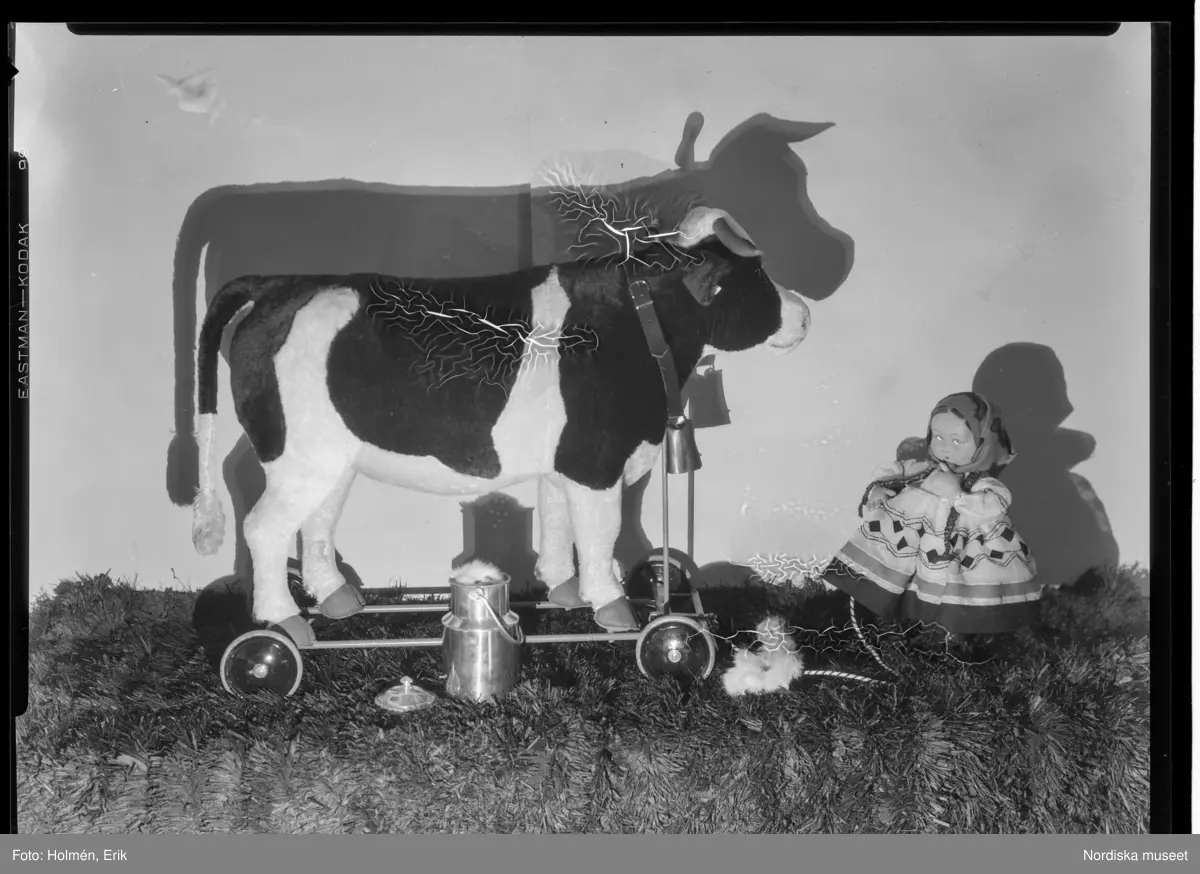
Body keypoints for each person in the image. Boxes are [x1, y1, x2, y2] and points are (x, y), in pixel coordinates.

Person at [822, 392, 1041, 642]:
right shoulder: (924, 470)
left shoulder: (982, 485)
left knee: (960, 590)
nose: (945, 447)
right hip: (912, 544)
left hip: (965, 550)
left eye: (957, 441)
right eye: (938, 437)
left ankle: (954, 632)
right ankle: (891, 618)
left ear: (984, 444)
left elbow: (995, 505)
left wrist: (957, 495)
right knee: (900, 577)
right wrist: (879, 488)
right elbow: (894, 471)